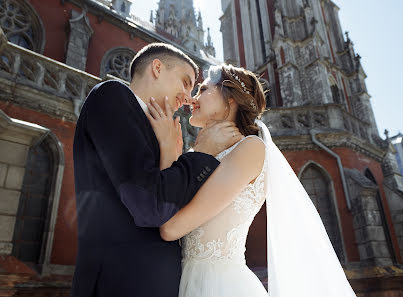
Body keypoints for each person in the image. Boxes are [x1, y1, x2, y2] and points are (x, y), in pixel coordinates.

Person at [146, 64, 358, 297]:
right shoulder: (199, 152)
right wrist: (174, 152)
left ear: (231, 99)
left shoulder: (251, 149)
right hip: (178, 281)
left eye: (203, 90)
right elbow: (163, 208)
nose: (192, 99)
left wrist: (180, 152)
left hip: (218, 286)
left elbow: (170, 227)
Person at [72, 43, 243, 297]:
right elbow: (150, 207)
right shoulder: (112, 95)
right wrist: (201, 155)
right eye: (185, 82)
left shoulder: (153, 126)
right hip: (120, 283)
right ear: (157, 68)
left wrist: (170, 154)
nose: (188, 98)